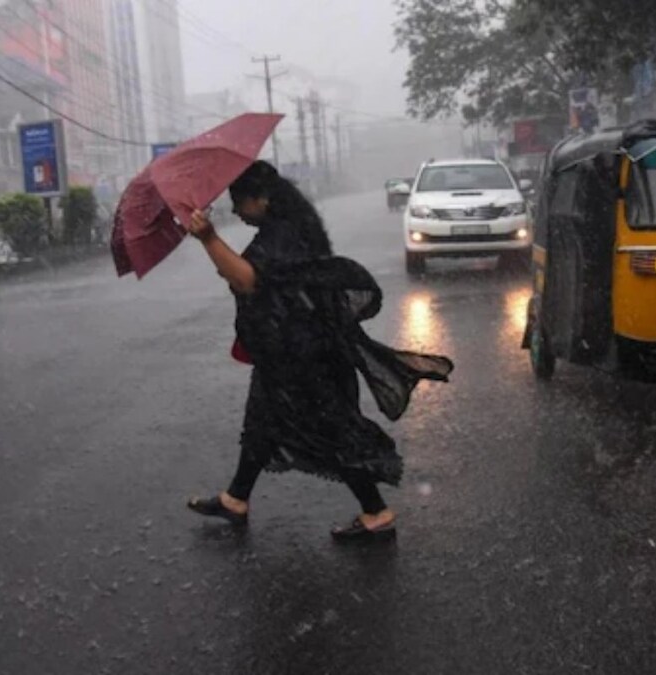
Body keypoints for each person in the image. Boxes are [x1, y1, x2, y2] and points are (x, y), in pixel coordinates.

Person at [182, 160, 453, 541]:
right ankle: (236, 499)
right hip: (291, 349)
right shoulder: (290, 226)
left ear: (261, 199)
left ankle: (375, 513)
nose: (236, 211)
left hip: (304, 355)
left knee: (331, 427)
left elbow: (248, 280)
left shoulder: (283, 234)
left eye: (239, 201)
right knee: (262, 421)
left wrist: (210, 238)